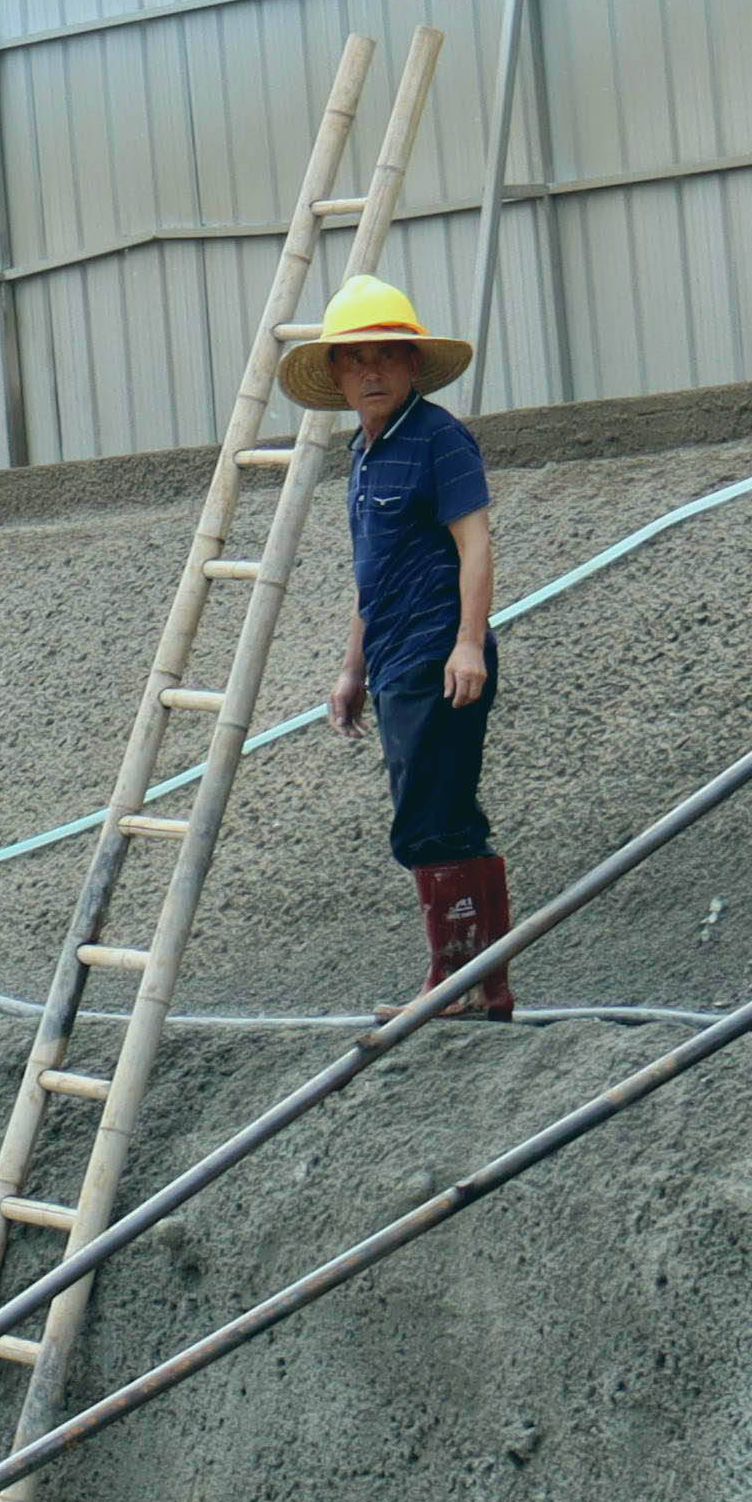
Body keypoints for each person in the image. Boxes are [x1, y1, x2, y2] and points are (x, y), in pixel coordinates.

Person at [293, 277, 513, 1010]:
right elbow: (374, 573)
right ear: (336, 376)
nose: (373, 372)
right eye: (357, 361)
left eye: (388, 357)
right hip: (393, 662)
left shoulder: (440, 439)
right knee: (446, 814)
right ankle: (483, 984)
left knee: (429, 818)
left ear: (414, 365)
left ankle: (453, 979)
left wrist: (469, 644)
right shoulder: (361, 454)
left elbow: (474, 545)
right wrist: (352, 668)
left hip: (438, 656)